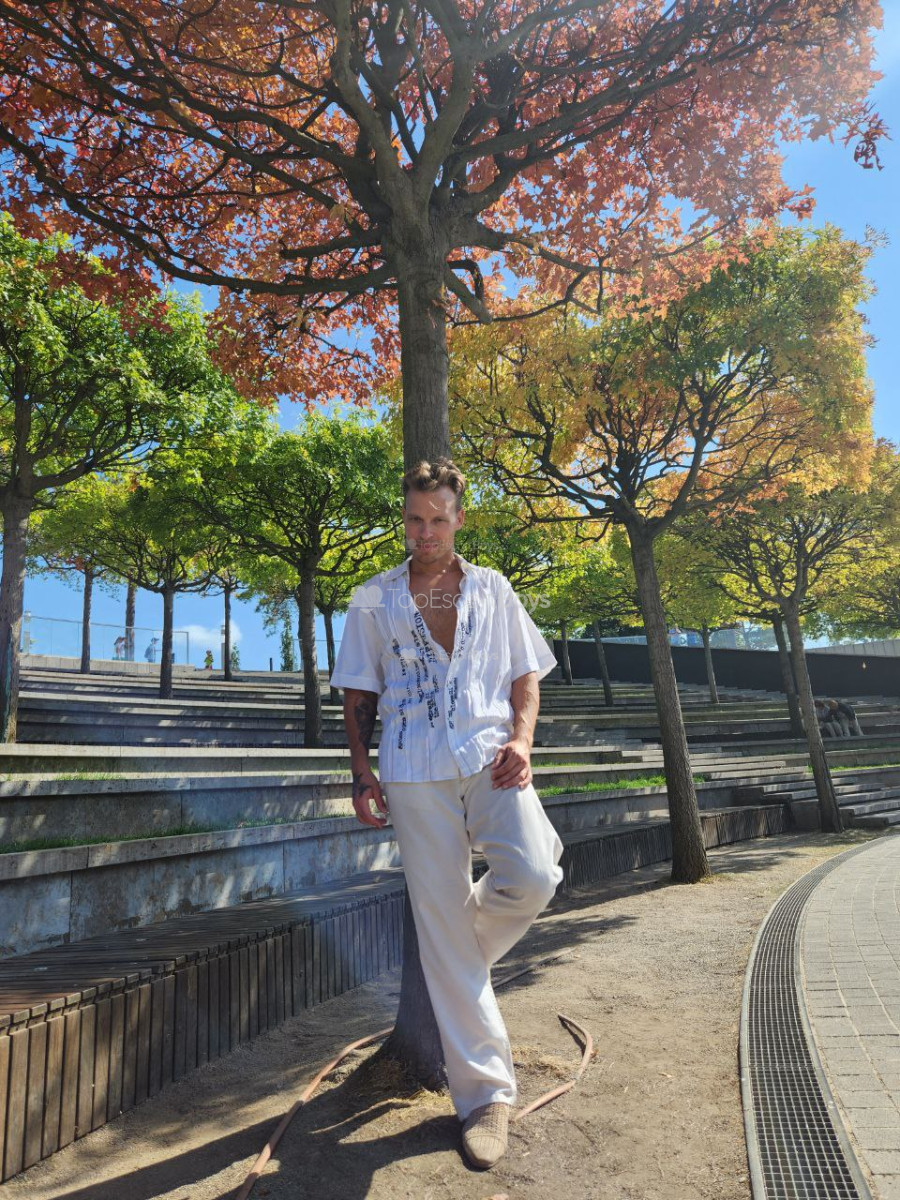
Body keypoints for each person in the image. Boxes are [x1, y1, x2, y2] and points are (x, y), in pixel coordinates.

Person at [329, 457, 563, 1171]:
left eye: (437, 518)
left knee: (535, 874)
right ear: (403, 519)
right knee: (443, 928)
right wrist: (361, 771)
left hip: (493, 756)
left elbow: (525, 674)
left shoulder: (494, 588)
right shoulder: (373, 597)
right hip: (410, 768)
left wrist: (523, 739)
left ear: (459, 519)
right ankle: (486, 1098)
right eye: (414, 518)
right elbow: (358, 692)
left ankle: (450, 965)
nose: (424, 531)